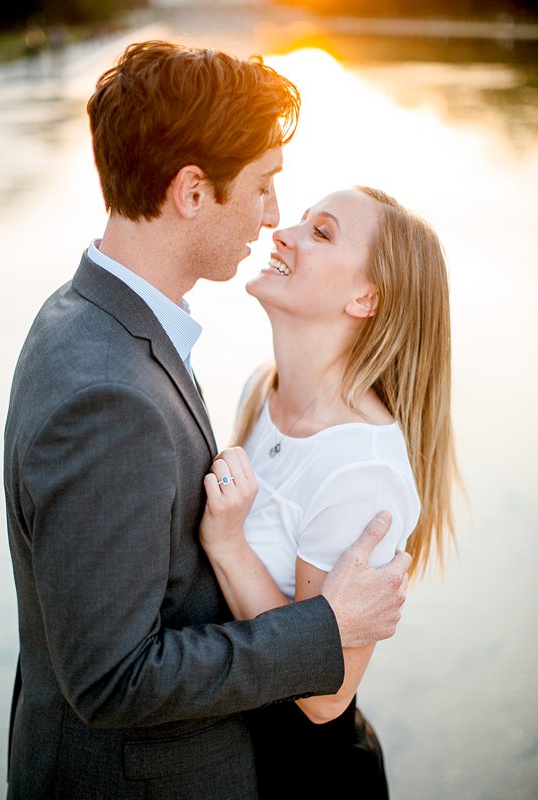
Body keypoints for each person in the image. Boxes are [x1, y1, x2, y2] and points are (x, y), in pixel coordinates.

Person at [3, 41, 412, 800]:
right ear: (192, 192)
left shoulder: (88, 315)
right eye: (262, 187)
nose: (274, 216)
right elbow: (112, 680)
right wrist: (323, 629)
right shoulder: (111, 395)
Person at [199, 186, 458, 797]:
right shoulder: (261, 391)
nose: (281, 233)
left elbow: (324, 696)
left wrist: (229, 545)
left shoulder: (358, 470)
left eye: (321, 232)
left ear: (365, 297)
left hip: (309, 777)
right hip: (238, 756)